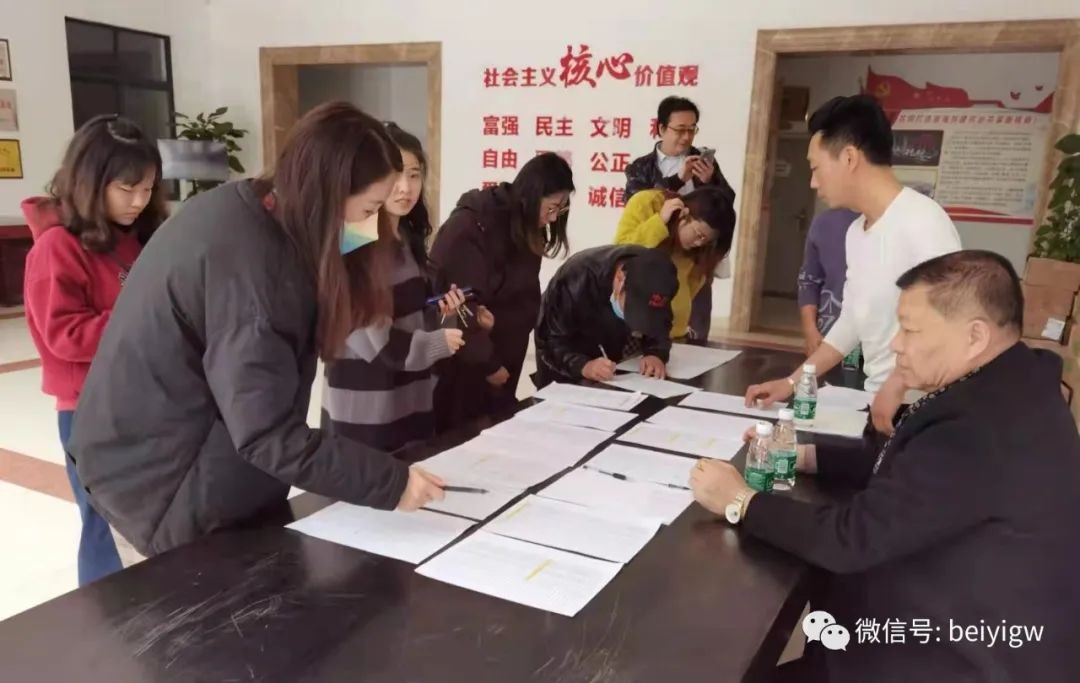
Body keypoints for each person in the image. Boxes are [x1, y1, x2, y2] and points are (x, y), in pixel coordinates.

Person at [68, 103, 447, 557]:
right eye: (369, 209)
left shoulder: (257, 211)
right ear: (328, 194)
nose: (371, 228)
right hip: (160, 482)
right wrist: (391, 482)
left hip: (180, 452)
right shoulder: (257, 272)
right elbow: (266, 434)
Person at [694, 251, 1080, 683]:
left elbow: (853, 539)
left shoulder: (981, 427)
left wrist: (741, 501)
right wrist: (807, 456)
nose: (896, 344)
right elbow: (917, 468)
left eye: (910, 330)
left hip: (958, 659)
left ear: (975, 336)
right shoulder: (1009, 385)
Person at [745, 95, 961, 434]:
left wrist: (898, 384)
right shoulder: (856, 233)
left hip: (920, 410)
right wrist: (792, 383)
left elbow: (951, 322)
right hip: (878, 403)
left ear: (848, 158)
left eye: (815, 168)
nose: (813, 183)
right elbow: (851, 322)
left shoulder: (923, 222)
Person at [21, 115, 167, 584]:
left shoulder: (137, 238)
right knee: (105, 525)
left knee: (147, 519)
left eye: (147, 188)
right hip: (91, 410)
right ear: (90, 181)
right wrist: (146, 321)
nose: (139, 201)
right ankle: (106, 618)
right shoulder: (56, 247)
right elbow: (63, 334)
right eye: (127, 188)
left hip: (145, 400)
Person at [320, 123, 488, 453]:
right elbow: (373, 338)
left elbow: (415, 315)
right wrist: (436, 343)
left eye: (414, 175)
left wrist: (448, 315)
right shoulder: (355, 241)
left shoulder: (408, 239)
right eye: (394, 175)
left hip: (408, 399)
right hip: (366, 408)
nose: (405, 188)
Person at [430, 152, 574, 430]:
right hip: (468, 365)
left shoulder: (524, 225)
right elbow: (459, 307)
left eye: (561, 209)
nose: (553, 217)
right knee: (460, 436)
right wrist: (489, 364)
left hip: (502, 362)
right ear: (532, 195)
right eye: (552, 207)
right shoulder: (475, 225)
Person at [624, 95, 736, 341]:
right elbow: (636, 201)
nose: (686, 137)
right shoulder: (641, 166)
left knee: (697, 311)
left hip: (695, 251)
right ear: (662, 128)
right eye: (680, 129)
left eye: (692, 129)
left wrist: (709, 182)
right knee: (653, 316)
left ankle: (696, 346)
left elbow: (724, 204)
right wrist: (677, 180)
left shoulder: (704, 161)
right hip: (657, 251)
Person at [533, 245, 678, 387]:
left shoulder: (657, 275)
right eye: (633, 310)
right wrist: (584, 366)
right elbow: (549, 341)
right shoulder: (576, 277)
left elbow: (660, 324)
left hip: (611, 365)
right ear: (620, 279)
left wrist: (655, 353)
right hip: (564, 363)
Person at [614, 186, 735, 340]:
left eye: (707, 241)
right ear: (684, 214)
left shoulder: (701, 250)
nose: (699, 243)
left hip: (674, 334)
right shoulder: (646, 203)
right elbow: (620, 253)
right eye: (699, 235)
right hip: (631, 328)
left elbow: (691, 287)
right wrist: (660, 222)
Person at [797, 207, 860, 357]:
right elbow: (809, 280)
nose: (819, 196)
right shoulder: (823, 222)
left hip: (875, 345)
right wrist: (810, 330)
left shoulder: (896, 221)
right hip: (827, 338)